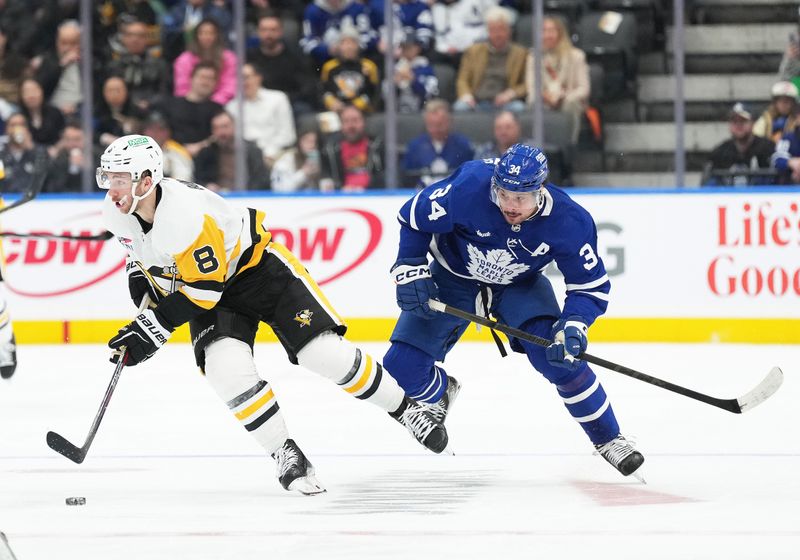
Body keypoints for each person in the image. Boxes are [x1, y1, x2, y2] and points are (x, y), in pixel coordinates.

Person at [97, 134, 449, 494]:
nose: (112, 189)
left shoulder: (184, 215)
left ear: (145, 180)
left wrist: (152, 328)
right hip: (211, 291)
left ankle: (406, 410)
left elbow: (204, 291)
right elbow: (140, 257)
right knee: (226, 372)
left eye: (120, 180)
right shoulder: (116, 210)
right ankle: (285, 452)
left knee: (323, 355)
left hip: (258, 272)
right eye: (108, 178)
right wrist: (143, 300)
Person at [382, 143, 645, 480]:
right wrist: (411, 265)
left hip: (519, 285)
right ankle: (440, 391)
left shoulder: (569, 220)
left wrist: (574, 324)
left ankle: (610, 439)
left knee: (558, 358)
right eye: (503, 193)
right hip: (452, 276)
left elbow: (589, 287)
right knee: (399, 369)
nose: (509, 204)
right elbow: (413, 216)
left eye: (520, 197)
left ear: (540, 190)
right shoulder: (470, 185)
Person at [525, 15, 590, 145]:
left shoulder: (576, 56)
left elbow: (584, 89)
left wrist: (563, 97)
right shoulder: (534, 58)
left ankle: (569, 145)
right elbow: (531, 88)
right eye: (544, 31)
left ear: (560, 33)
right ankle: (537, 145)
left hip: (568, 99)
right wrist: (545, 97)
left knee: (570, 104)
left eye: (551, 31)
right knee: (532, 101)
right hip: (545, 99)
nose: (547, 35)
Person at [453, 6, 527, 113]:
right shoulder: (473, 51)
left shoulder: (521, 53)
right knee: (460, 108)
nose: (497, 34)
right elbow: (462, 80)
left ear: (509, 31)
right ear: (488, 31)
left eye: (501, 29)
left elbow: (527, 84)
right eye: (493, 30)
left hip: (505, 102)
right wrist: (466, 96)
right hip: (476, 100)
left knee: (518, 108)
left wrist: (511, 94)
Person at [225, 63, 296, 167]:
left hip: (276, 154)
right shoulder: (231, 107)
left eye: (246, 77)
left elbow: (287, 134)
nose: (243, 82)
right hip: (245, 159)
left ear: (258, 78)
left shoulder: (278, 98)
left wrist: (269, 152)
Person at [403, 98, 473, 188]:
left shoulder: (463, 146)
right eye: (431, 125)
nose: (435, 129)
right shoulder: (415, 147)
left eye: (440, 125)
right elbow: (407, 178)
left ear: (449, 122)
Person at [193, 110, 270, 191]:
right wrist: (207, 185)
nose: (221, 132)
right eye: (216, 128)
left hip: (247, 198)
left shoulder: (252, 150)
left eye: (225, 126)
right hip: (217, 197)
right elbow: (197, 179)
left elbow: (261, 179)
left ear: (235, 126)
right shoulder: (206, 153)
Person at [702, 102, 775, 186]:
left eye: (743, 121)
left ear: (753, 123)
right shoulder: (719, 153)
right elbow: (708, 186)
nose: (738, 125)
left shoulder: (767, 148)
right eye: (734, 121)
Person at [173, 18, 238, 105]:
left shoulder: (229, 58)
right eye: (202, 33)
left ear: (217, 36)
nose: (206, 37)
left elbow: (230, 85)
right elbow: (182, 88)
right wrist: (191, 101)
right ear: (196, 36)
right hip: (190, 104)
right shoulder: (184, 59)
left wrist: (214, 103)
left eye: (211, 33)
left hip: (221, 104)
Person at [319, 104, 384, 191]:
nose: (351, 126)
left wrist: (368, 188)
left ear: (364, 122)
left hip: (372, 197)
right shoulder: (330, 150)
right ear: (341, 125)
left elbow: (386, 176)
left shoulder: (377, 145)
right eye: (346, 121)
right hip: (340, 198)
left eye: (355, 120)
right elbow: (326, 178)